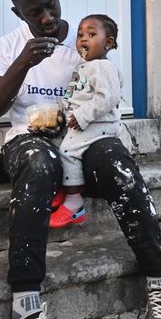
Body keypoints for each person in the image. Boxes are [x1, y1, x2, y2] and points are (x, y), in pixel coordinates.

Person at [0, 0, 161, 319]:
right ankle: (24, 310)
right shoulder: (7, 47)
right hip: (29, 141)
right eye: (34, 12)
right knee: (41, 162)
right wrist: (23, 61)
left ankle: (160, 286)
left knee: (116, 162)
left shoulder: (86, 42)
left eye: (50, 5)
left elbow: (106, 97)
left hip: (81, 138)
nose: (48, 18)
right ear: (18, 12)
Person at [49, 14, 124, 228]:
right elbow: (74, 95)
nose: (83, 39)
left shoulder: (103, 67)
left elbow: (108, 97)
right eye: (80, 35)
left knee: (68, 151)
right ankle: (64, 187)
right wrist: (60, 111)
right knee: (54, 144)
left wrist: (81, 116)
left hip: (99, 124)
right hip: (80, 122)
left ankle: (74, 203)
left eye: (91, 35)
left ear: (108, 43)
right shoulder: (84, 67)